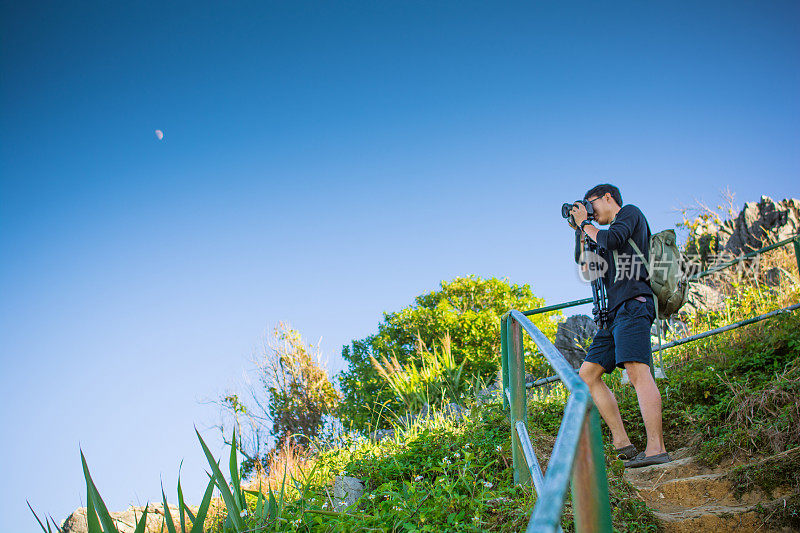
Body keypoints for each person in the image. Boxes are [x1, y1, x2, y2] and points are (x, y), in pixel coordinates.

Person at [569, 183, 671, 468]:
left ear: (607, 198)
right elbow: (588, 269)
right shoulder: (596, 233)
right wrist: (581, 232)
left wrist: (586, 223)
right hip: (611, 315)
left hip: (634, 305)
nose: (590, 211)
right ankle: (623, 444)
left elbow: (612, 239)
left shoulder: (629, 214)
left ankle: (656, 448)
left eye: (591, 204)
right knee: (588, 375)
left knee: (637, 372)